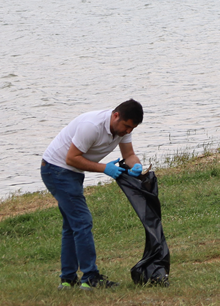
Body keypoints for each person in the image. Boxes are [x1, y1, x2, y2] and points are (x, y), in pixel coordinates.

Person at [41, 99, 145, 289]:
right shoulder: (92, 126)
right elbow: (71, 158)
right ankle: (90, 277)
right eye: (127, 126)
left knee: (72, 226)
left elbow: (129, 155)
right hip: (57, 170)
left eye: (132, 128)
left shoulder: (122, 129)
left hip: (70, 172)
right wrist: (105, 168)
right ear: (116, 116)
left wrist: (136, 165)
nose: (128, 132)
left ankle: (67, 280)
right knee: (82, 221)